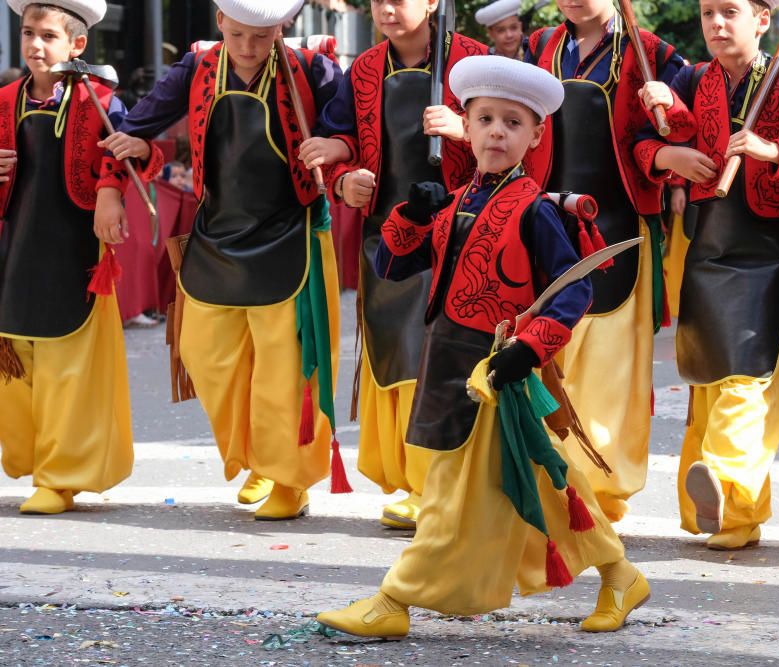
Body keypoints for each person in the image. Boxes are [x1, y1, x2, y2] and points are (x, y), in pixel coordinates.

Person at [316, 55, 649, 639]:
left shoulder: (538, 211)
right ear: (463, 128)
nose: (497, 131)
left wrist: (528, 348)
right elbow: (392, 264)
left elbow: (572, 292)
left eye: (513, 123)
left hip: (496, 371)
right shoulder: (451, 202)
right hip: (443, 358)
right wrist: (414, 215)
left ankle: (393, 601)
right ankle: (621, 574)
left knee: (448, 493)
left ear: (536, 136)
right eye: (486, 118)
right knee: (543, 480)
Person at [113, 0, 345, 520]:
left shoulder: (313, 68)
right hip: (217, 233)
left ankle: (288, 478)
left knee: (286, 370)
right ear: (220, 22)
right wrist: (130, 146)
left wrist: (336, 146)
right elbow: (138, 125)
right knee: (205, 353)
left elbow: (349, 129)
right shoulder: (195, 67)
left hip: (292, 234)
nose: (247, 48)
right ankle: (261, 454)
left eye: (261, 37)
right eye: (237, 34)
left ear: (281, 28)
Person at [637, 0, 779, 550]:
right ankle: (736, 517)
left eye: (730, 12)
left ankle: (721, 472)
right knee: (711, 375)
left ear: (763, 20)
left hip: (771, 251)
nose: (716, 25)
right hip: (707, 245)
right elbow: (642, 143)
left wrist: (775, 150)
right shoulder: (689, 79)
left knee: (749, 377)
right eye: (707, 14)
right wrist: (671, 156)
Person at [300, 0, 486, 529]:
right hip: (388, 231)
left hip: (461, 233)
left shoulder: (473, 62)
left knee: (439, 356)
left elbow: (517, 142)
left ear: (432, 4)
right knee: (395, 354)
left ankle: (442, 480)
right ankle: (409, 478)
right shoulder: (364, 68)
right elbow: (347, 139)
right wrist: (342, 174)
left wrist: (465, 129)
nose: (385, 8)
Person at [524, 0, 686, 523]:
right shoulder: (539, 47)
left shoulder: (655, 53)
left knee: (614, 368)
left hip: (617, 228)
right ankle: (556, 483)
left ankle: (600, 494)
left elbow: (688, 131)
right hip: (548, 225)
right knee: (553, 359)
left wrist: (670, 108)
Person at [0, 0, 163, 514]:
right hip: (15, 250)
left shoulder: (99, 98)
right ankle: (30, 459)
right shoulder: (5, 100)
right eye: (28, 33)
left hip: (75, 253)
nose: (35, 45)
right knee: (18, 361)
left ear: (77, 45)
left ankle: (60, 476)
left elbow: (132, 149)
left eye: (48, 35)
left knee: (69, 367)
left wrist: (112, 190)